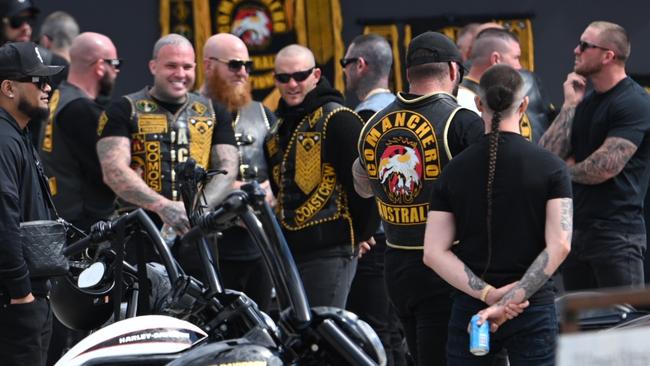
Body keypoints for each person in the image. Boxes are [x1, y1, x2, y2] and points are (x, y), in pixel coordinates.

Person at [423, 64, 572, 365]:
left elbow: (433, 252)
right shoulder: (550, 167)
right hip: (531, 305)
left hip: (472, 309)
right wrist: (511, 299)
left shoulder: (454, 170)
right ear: (525, 104)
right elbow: (560, 244)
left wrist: (490, 296)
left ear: (478, 104)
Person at [353, 31, 484, 365]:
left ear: (408, 73)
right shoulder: (462, 121)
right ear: (455, 71)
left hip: (397, 265)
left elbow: (363, 186)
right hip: (448, 267)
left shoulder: (373, 124)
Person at [97, 34, 237, 277]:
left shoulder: (214, 112)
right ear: (153, 66)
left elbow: (228, 166)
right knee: (143, 309)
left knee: (202, 311)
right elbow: (114, 170)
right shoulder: (124, 109)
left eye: (187, 66)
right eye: (171, 65)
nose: (180, 74)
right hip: (139, 234)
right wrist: (162, 206)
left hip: (197, 235)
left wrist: (198, 210)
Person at [265, 44, 378, 308]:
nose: (292, 84)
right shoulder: (275, 130)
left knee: (324, 331)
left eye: (300, 76)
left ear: (316, 75)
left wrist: (361, 234)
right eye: (284, 78)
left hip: (330, 250)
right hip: (289, 253)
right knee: (294, 336)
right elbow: (280, 188)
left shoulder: (339, 119)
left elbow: (366, 184)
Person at [540, 21, 650, 290]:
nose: (576, 50)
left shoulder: (633, 102)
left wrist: (564, 171)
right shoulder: (584, 102)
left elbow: (604, 167)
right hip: (578, 234)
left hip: (616, 236)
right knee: (581, 328)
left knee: (623, 326)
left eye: (585, 45)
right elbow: (545, 156)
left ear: (608, 55)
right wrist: (569, 105)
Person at [341, 33, 406, 366]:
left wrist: (361, 231)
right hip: (408, 239)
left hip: (374, 241)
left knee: (372, 334)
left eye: (345, 64)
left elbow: (363, 186)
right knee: (396, 332)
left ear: (360, 65)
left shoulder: (362, 118)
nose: (344, 71)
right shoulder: (406, 113)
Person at [200, 33, 275, 311]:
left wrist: (269, 193)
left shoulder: (265, 114)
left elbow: (284, 171)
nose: (243, 72)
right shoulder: (188, 112)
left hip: (259, 244)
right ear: (208, 65)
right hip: (209, 246)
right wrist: (232, 193)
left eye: (247, 65)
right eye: (234, 64)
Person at [0, 41, 64, 366]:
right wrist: (20, 291)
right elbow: (2, 221)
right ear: (9, 87)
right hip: (15, 302)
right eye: (38, 80)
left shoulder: (16, 134)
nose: (48, 87)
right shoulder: (2, 138)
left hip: (27, 296)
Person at [40, 32, 119, 232]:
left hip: (63, 217)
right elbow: (114, 172)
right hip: (86, 227)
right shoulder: (81, 110)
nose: (117, 71)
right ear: (101, 66)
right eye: (115, 64)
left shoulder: (59, 96)